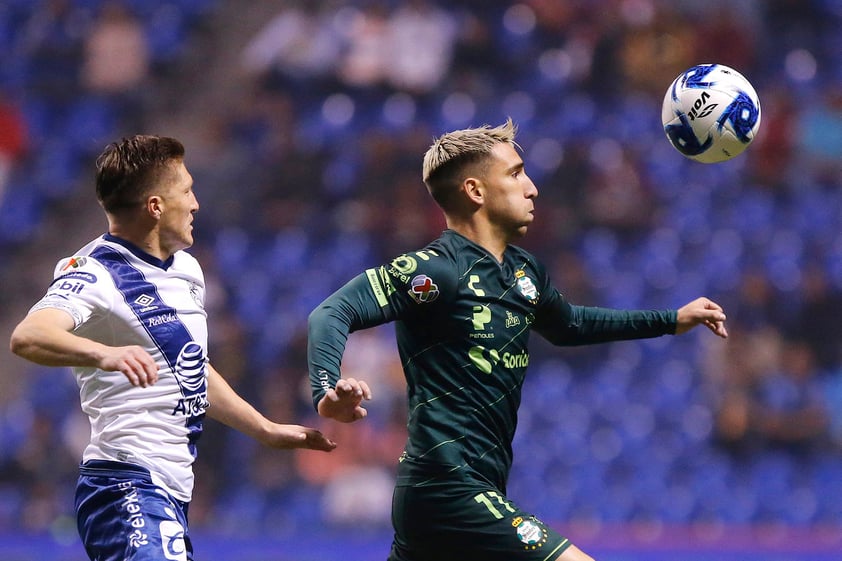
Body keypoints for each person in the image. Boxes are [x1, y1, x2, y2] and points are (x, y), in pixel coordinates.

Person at [307, 119, 728, 561]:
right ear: (475, 192)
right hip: (447, 486)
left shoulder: (524, 273)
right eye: (515, 173)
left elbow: (570, 325)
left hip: (469, 489)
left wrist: (670, 319)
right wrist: (325, 390)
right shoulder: (435, 270)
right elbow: (332, 311)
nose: (532, 188)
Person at [9, 135, 336, 561]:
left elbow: (191, 368)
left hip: (170, 491)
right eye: (186, 190)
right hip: (124, 485)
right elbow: (28, 335)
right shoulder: (95, 271)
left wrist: (263, 429)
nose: (196, 203)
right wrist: (103, 353)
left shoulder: (186, 269)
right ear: (156, 205)